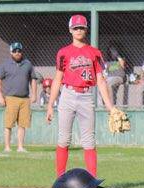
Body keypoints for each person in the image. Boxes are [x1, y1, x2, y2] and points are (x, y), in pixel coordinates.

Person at [46, 14, 119, 177]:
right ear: (70, 30)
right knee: (64, 139)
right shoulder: (63, 53)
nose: (78, 30)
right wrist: (50, 104)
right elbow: (57, 79)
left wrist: (110, 107)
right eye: (75, 28)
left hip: (86, 97)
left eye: (81, 27)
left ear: (86, 30)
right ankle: (60, 180)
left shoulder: (94, 53)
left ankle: (92, 183)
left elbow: (101, 81)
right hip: (67, 95)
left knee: (89, 141)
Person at [0, 42, 38, 152]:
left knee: (22, 124)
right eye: (14, 51)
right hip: (10, 98)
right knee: (8, 124)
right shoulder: (5, 65)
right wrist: (0, 96)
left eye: (19, 51)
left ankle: (20, 147)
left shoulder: (27, 64)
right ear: (10, 52)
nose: (17, 53)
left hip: (25, 99)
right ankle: (7, 147)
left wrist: (34, 94)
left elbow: (33, 79)